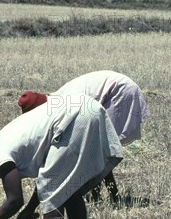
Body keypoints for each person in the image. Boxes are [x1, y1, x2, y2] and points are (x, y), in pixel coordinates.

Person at [18, 70, 150, 203]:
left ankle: (103, 195)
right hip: (115, 89)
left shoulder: (64, 104)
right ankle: (108, 194)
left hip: (120, 92)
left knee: (100, 149)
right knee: (98, 149)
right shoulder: (56, 100)